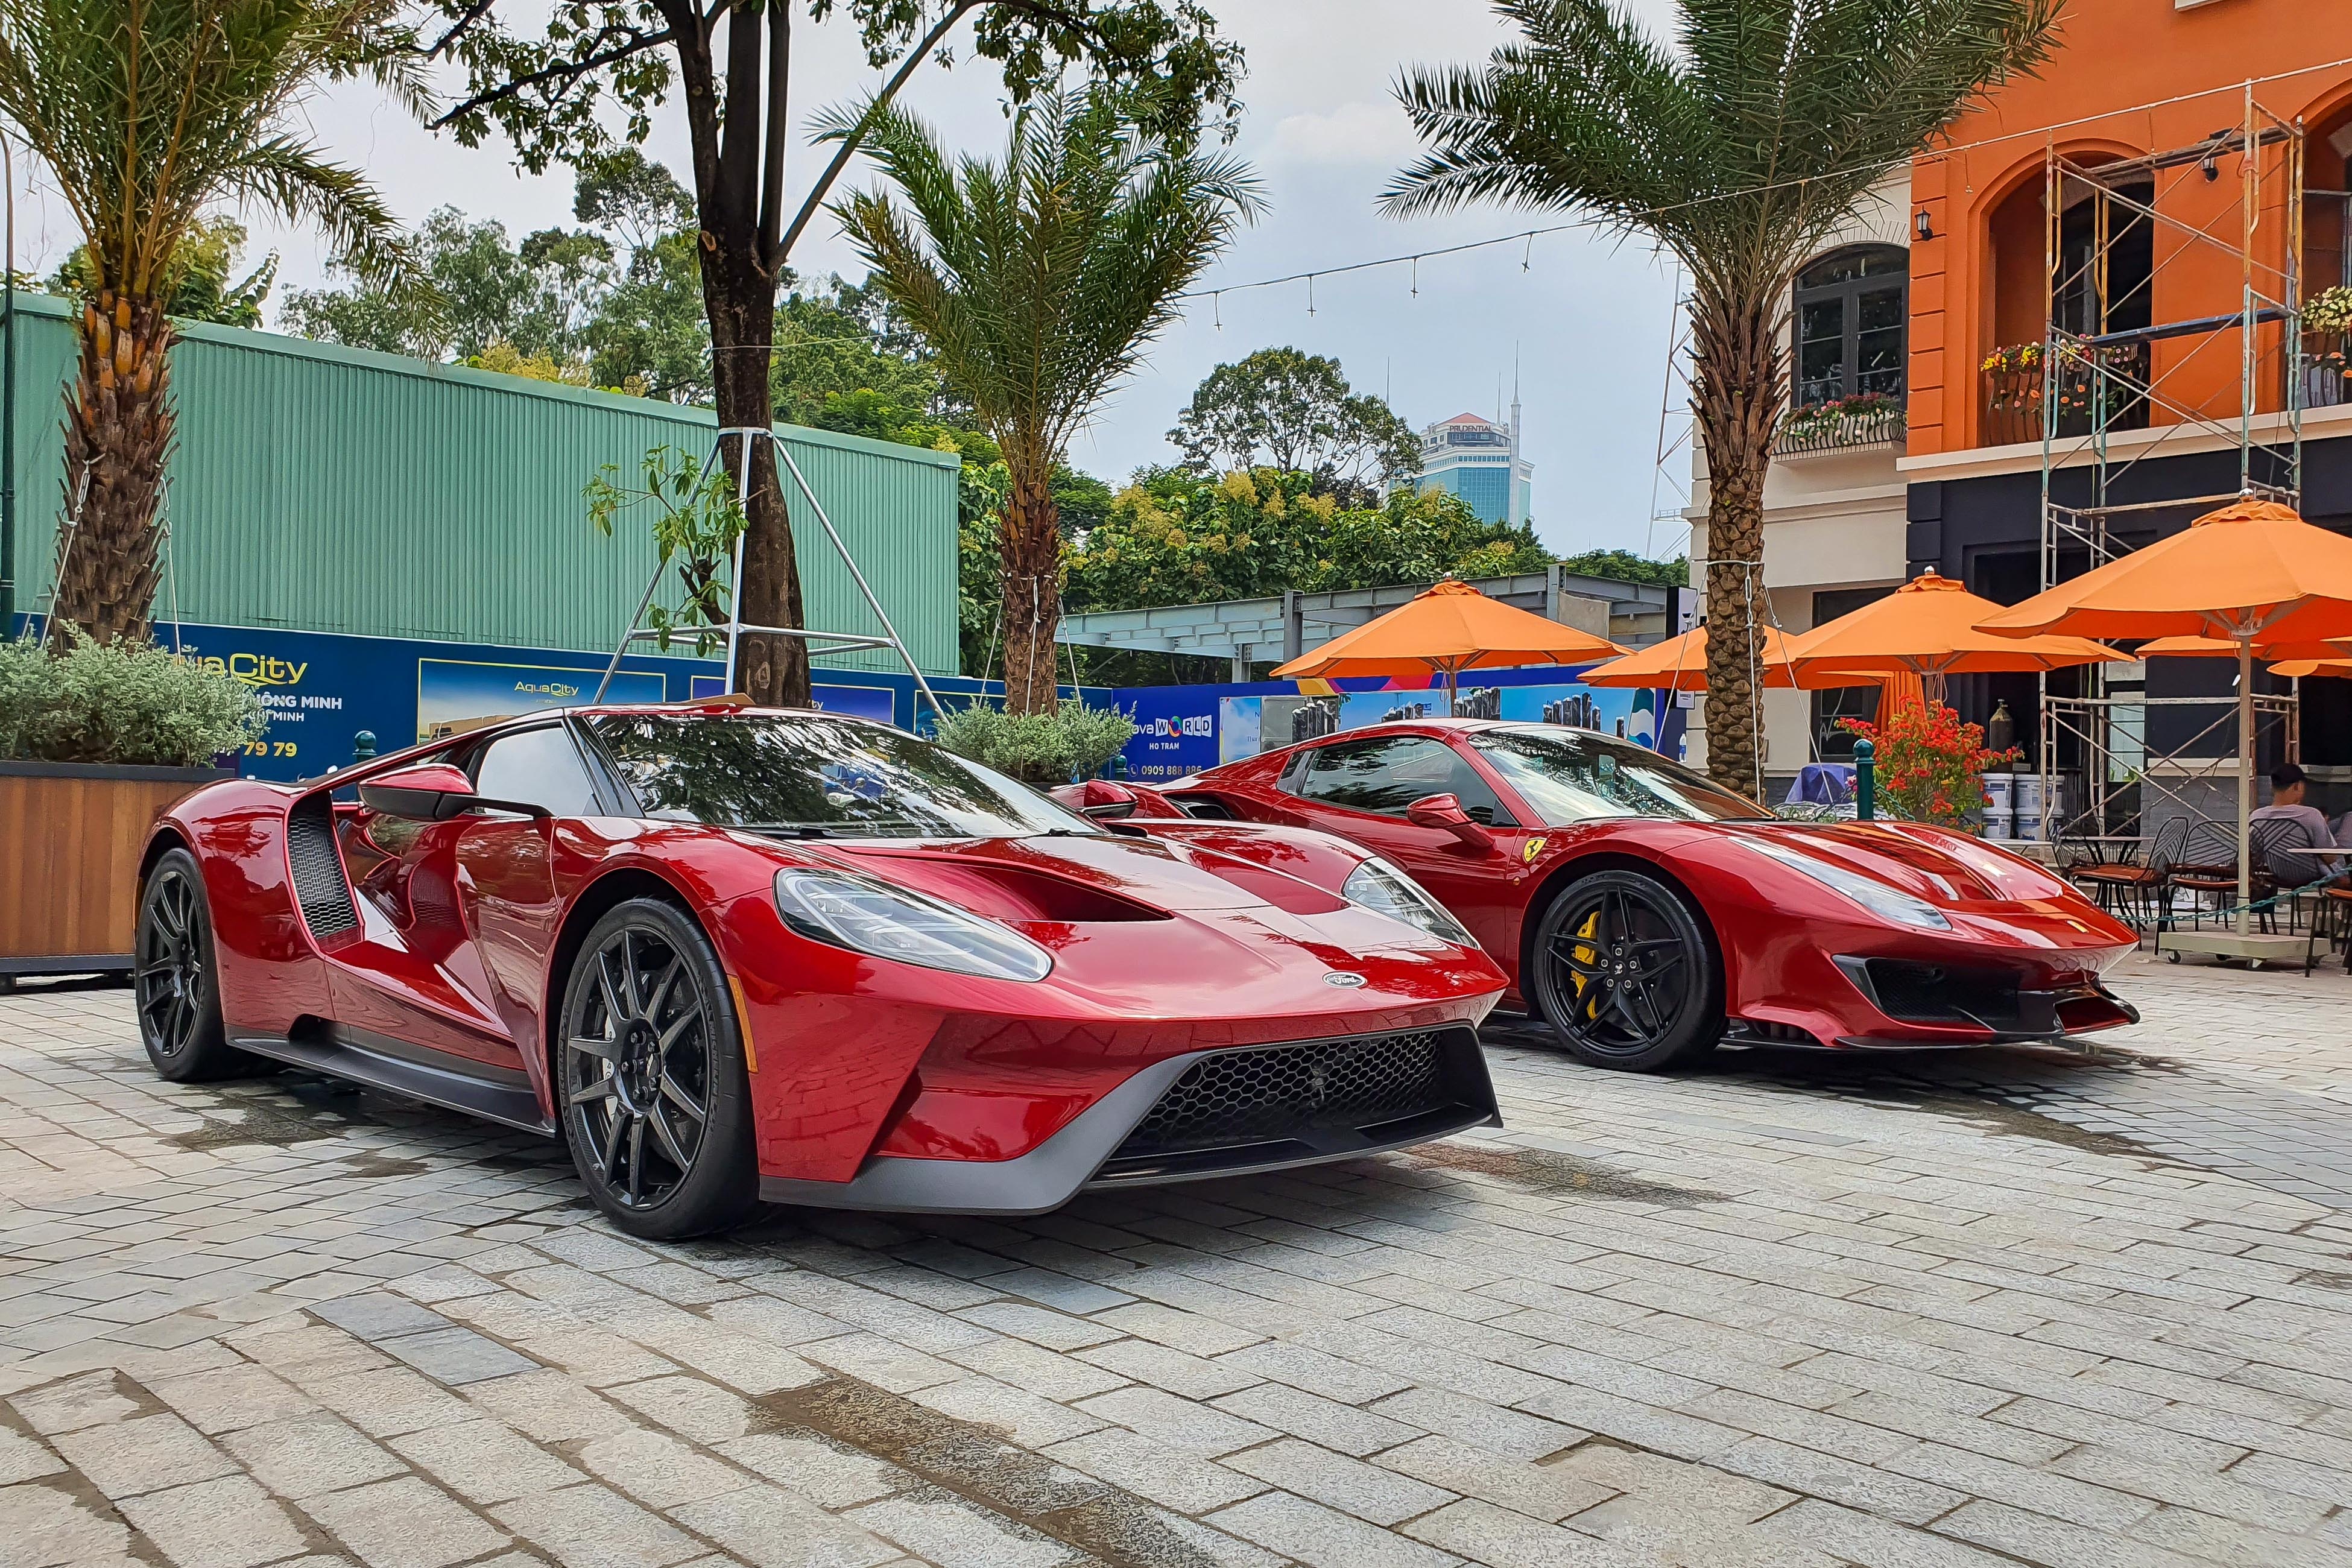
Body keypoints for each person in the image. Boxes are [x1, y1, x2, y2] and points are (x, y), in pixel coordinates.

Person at [2251, 763, 2349, 887]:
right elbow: (2330, 858)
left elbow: (2256, 855)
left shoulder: (2256, 816)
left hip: (2279, 875)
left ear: (2272, 787)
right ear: (2298, 786)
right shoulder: (2311, 814)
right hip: (2316, 875)